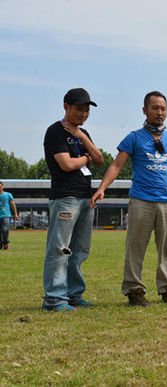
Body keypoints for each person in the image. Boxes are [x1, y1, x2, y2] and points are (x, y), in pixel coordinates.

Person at [91, 91, 167, 307]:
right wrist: (102, 188)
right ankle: (134, 290)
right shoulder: (134, 138)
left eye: (163, 108)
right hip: (141, 200)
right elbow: (117, 165)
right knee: (136, 246)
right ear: (144, 110)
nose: (159, 112)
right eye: (154, 108)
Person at [42, 88, 105, 311]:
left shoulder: (83, 133)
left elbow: (99, 159)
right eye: (79, 109)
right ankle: (54, 299)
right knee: (60, 250)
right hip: (65, 197)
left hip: (86, 198)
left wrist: (82, 138)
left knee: (79, 251)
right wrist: (85, 158)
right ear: (66, 106)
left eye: (87, 110)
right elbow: (66, 164)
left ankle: (74, 294)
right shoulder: (54, 132)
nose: (83, 114)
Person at [0, 182, 19, 250]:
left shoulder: (8, 195)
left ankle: (5, 243)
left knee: (5, 230)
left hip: (6, 216)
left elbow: (13, 205)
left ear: (2, 187)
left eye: (0, 186)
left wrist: (15, 214)